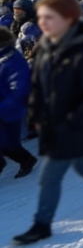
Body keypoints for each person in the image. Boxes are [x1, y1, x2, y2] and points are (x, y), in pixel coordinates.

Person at [14, 0, 83, 245]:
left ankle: (42, 225)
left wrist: (73, 120)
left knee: (50, 176)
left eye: (49, 17)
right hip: (54, 124)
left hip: (76, 125)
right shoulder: (45, 48)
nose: (43, 22)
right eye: (40, 17)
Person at [0, 26, 37, 180]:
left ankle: (27, 160)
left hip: (11, 109)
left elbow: (20, 89)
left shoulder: (13, 60)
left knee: (7, 143)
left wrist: (4, 107)